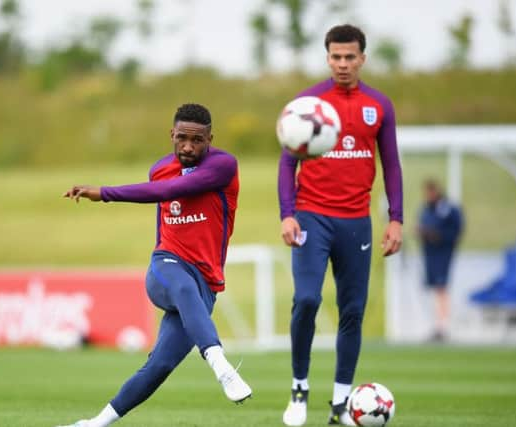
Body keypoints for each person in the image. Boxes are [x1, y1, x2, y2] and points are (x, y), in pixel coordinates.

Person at [57, 103, 251, 427]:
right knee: (182, 285)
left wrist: (103, 192)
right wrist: (106, 195)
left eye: (197, 140)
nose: (188, 146)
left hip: (205, 283)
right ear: (171, 135)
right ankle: (222, 366)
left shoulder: (223, 166)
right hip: (165, 267)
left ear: (210, 139)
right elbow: (164, 214)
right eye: (182, 138)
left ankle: (95, 423)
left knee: (159, 365)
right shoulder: (159, 167)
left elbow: (172, 190)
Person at [277, 24, 403, 426]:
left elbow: (392, 165)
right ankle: (299, 390)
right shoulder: (308, 102)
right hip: (312, 216)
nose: (343, 64)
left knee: (352, 311)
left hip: (356, 223)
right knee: (308, 301)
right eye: (336, 57)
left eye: (350, 57)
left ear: (363, 58)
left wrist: (395, 218)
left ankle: (341, 405)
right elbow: (287, 161)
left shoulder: (379, 105)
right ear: (327, 57)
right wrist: (287, 212)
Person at [417, 178, 464, 342]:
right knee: (436, 290)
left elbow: (456, 230)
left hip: (442, 254)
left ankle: (443, 326)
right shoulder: (427, 209)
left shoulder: (448, 209)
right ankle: (438, 325)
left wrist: (437, 236)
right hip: (430, 255)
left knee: (441, 289)